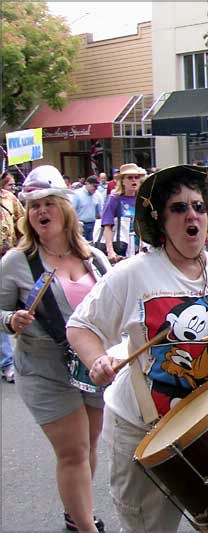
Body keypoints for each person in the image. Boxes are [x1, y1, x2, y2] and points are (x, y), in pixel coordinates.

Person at [66, 165, 208, 531]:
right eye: (178, 208)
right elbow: (81, 326)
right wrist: (97, 359)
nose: (191, 214)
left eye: (198, 206)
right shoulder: (132, 274)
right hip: (143, 432)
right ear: (161, 222)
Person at [0, 165, 111, 532]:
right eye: (33, 206)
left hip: (90, 366)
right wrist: (10, 320)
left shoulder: (93, 257)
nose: (40, 211)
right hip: (43, 368)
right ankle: (85, 527)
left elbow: (114, 304)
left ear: (65, 208)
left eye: (48, 203)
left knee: (89, 447)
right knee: (74, 450)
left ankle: (75, 512)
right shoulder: (16, 262)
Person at [0, 170, 24, 383]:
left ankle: (8, 362)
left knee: (7, 312)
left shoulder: (9, 199)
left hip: (6, 258)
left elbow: (23, 225)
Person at [101, 163, 144, 264]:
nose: (134, 180)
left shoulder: (142, 199)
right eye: (130, 177)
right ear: (123, 181)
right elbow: (107, 226)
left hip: (141, 247)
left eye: (136, 177)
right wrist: (110, 251)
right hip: (122, 246)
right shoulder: (114, 199)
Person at [72, 176, 103, 242]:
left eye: (97, 187)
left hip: (93, 224)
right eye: (94, 186)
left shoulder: (97, 195)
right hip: (80, 225)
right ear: (87, 184)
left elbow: (100, 211)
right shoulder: (77, 194)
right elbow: (72, 210)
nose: (95, 189)